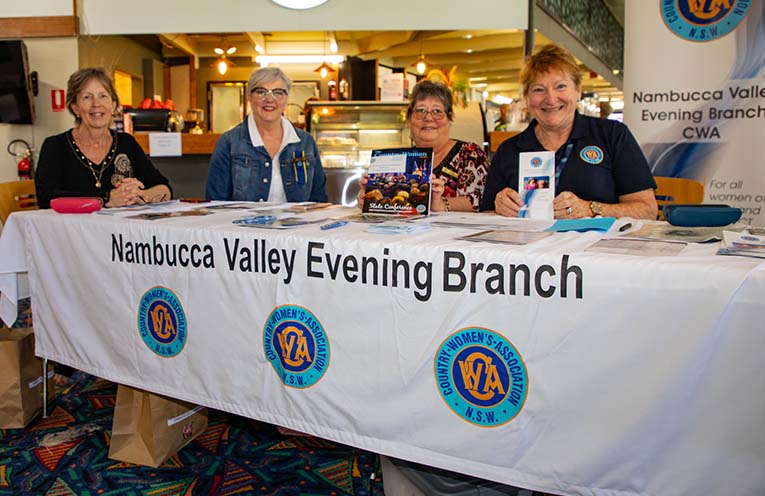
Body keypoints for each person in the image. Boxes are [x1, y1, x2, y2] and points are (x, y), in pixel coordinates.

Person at [480, 44, 657, 219]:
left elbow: (647, 210)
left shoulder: (612, 135)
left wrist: (590, 209)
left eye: (560, 86)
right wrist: (499, 207)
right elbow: (486, 214)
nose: (551, 99)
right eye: (538, 90)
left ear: (578, 90)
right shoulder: (508, 150)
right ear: (526, 98)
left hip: (598, 239)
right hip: (527, 238)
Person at [35, 67, 172, 209]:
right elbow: (46, 198)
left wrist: (139, 194)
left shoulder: (127, 143)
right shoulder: (55, 146)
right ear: (75, 107)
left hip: (119, 224)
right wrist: (106, 198)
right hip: (70, 224)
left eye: (103, 96)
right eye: (87, 97)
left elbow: (164, 188)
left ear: (113, 105)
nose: (96, 104)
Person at [357, 80, 489, 212]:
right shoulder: (400, 159)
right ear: (409, 119)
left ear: (449, 118)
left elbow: (478, 200)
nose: (429, 118)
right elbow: (393, 200)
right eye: (421, 110)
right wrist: (370, 198)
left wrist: (441, 204)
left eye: (437, 111)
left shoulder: (470, 154)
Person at [205, 67, 328, 203]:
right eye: (261, 92)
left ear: (286, 99)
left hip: (298, 218)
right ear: (249, 97)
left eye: (278, 93)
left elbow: (318, 200)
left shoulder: (306, 142)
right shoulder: (229, 142)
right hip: (241, 218)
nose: (269, 99)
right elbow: (216, 203)